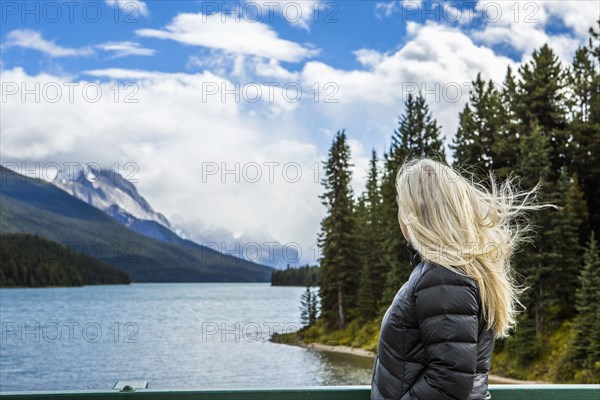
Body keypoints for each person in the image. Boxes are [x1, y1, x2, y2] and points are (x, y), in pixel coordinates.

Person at [371, 157, 546, 400]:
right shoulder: (453, 271)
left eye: (403, 205)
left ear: (417, 213)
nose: (400, 214)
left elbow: (449, 383)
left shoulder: (444, 276)